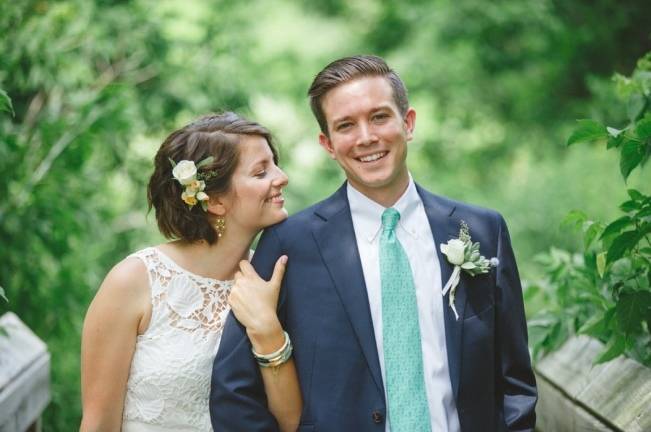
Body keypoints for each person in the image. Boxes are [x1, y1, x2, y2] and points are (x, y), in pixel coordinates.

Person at [211, 55, 537, 431]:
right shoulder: (290, 246)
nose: (366, 137)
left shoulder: (482, 231)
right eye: (346, 125)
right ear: (328, 143)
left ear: (408, 123)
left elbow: (515, 384)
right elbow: (233, 393)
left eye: (379, 117)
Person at [80, 112, 302, 432]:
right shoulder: (134, 281)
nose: (281, 177)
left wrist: (267, 328)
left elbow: (290, 422)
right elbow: (99, 423)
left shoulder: (273, 280)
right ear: (214, 201)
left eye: (275, 164)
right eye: (261, 171)